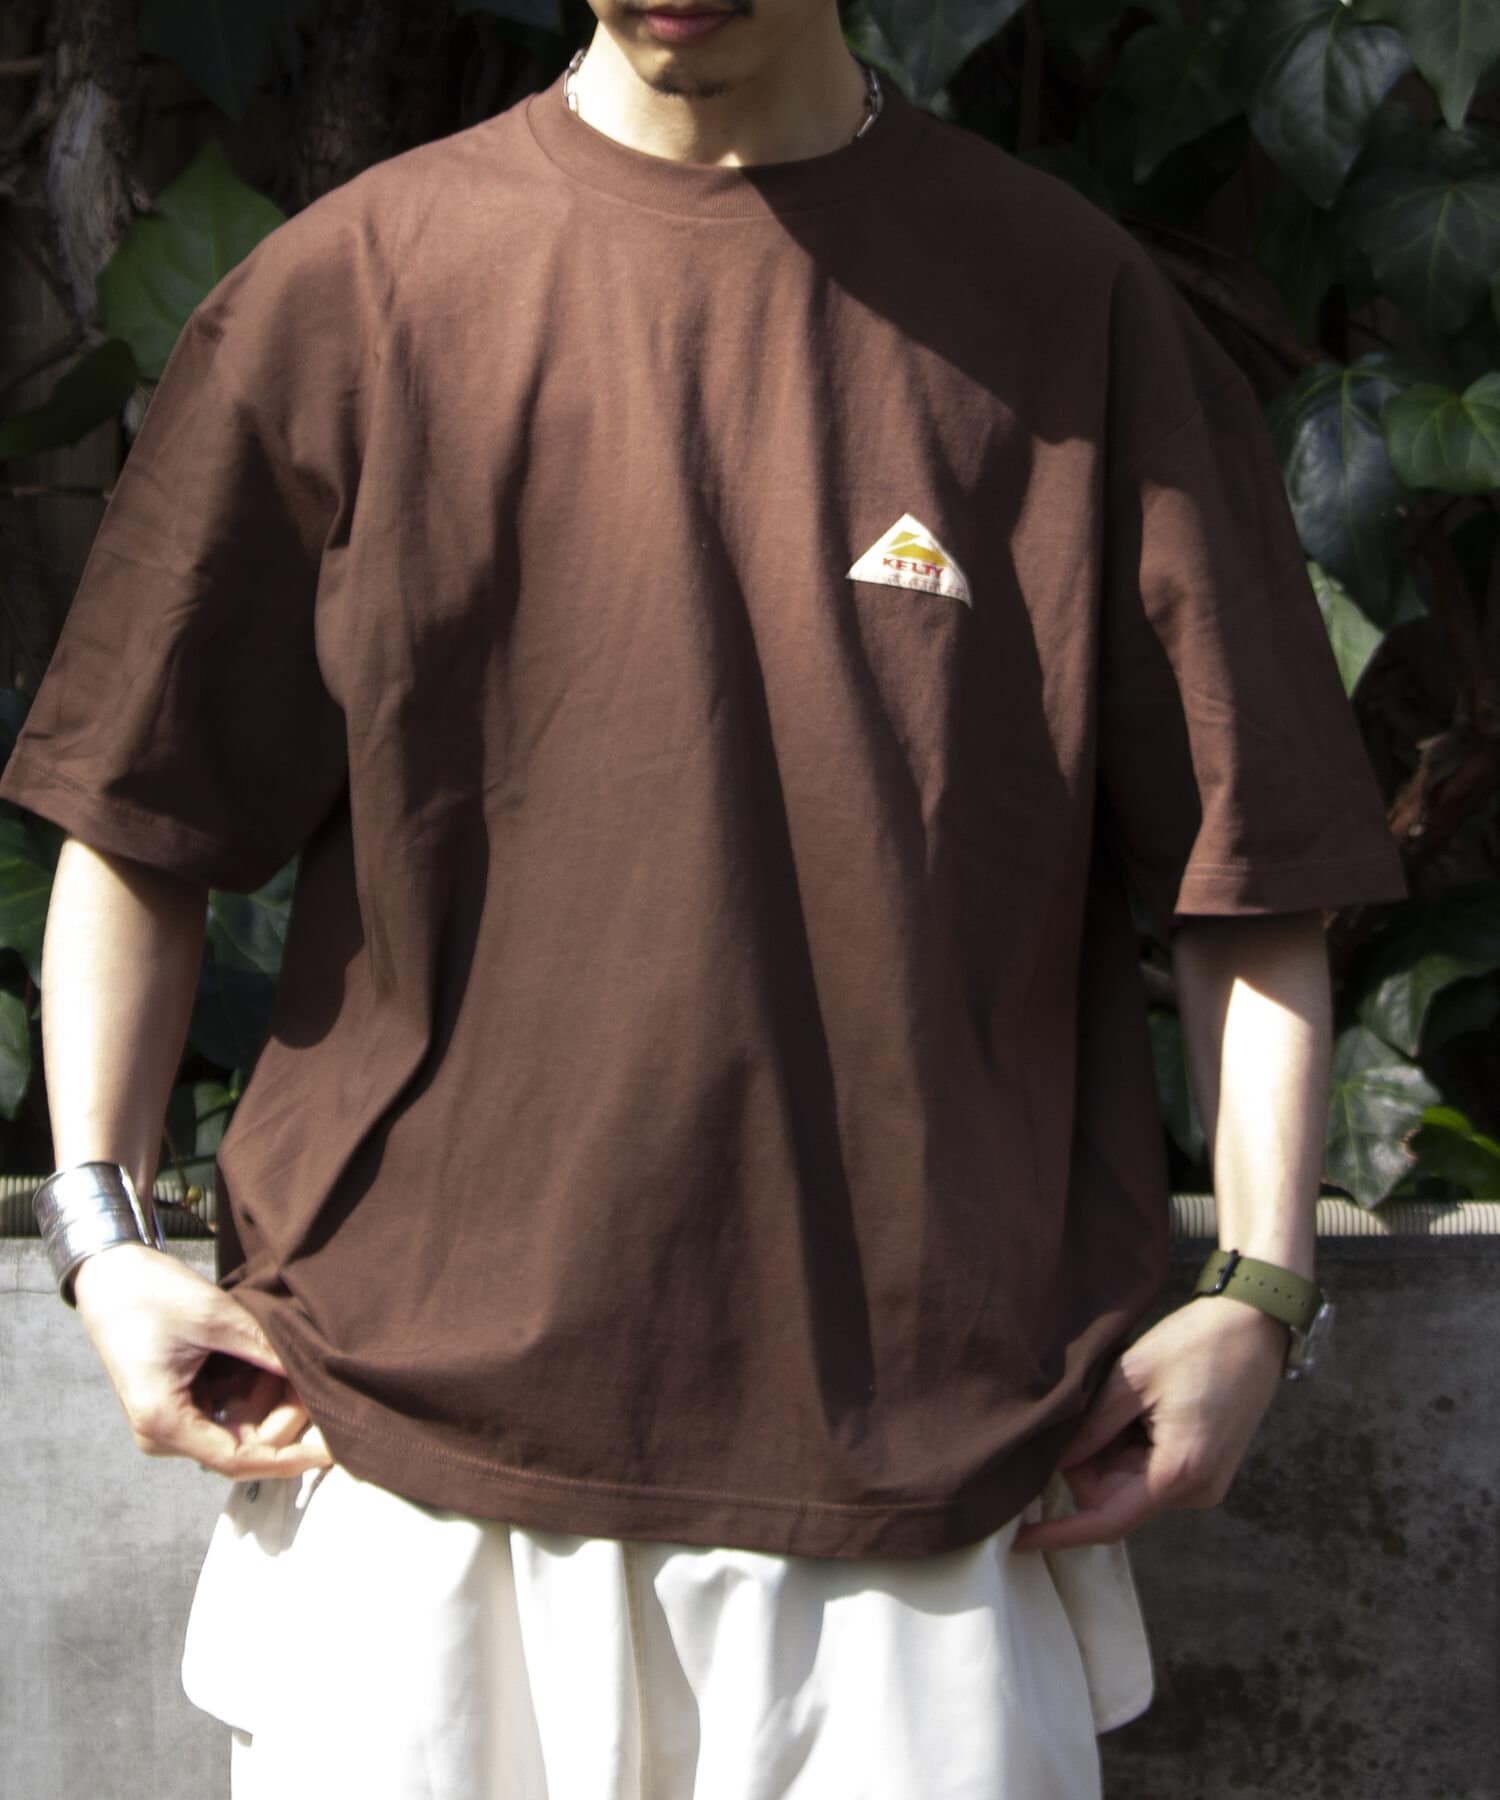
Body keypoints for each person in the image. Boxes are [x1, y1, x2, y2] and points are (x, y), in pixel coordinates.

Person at [7, 2, 1406, 1795]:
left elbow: (1250, 872)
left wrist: (1262, 1286)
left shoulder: (1066, 307)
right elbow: (137, 820)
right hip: (402, 1481)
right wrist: (105, 1242)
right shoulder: (353, 289)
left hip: (926, 1494)